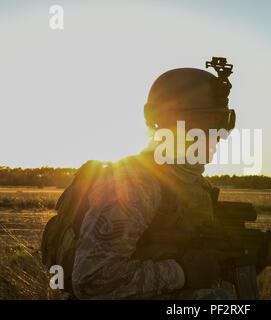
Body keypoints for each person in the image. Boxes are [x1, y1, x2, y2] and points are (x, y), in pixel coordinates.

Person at [69, 59, 237, 299]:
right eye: (210, 124)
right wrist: (182, 272)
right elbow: (91, 279)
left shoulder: (192, 183)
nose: (220, 136)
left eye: (223, 125)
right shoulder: (136, 182)